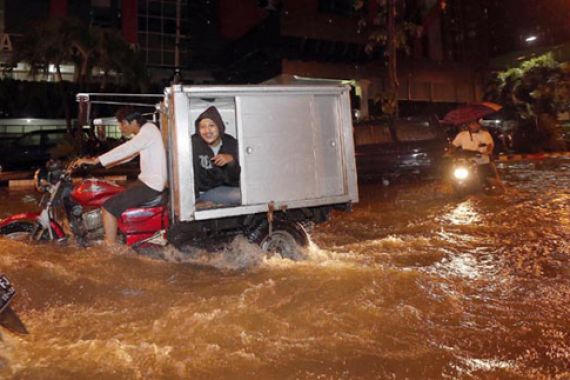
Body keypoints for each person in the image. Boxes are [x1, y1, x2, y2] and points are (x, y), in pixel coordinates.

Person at [76, 108, 167, 246]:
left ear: (131, 122)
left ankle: (111, 248)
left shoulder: (148, 131)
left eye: (121, 124)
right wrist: (99, 163)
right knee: (113, 194)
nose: (120, 127)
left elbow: (127, 149)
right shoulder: (147, 132)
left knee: (108, 208)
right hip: (145, 183)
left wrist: (96, 161)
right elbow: (129, 155)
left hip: (150, 186)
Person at [192, 106, 241, 206]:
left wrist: (232, 161)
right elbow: (189, 174)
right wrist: (195, 201)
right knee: (240, 196)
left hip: (223, 190)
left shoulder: (230, 143)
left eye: (211, 125)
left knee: (249, 195)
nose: (207, 131)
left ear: (219, 126)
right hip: (201, 193)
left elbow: (235, 177)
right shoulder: (194, 143)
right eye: (202, 127)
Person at [450, 119, 504, 190]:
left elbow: (490, 145)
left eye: (477, 124)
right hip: (467, 162)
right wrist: (448, 152)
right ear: (469, 125)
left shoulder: (485, 134)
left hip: (483, 161)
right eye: (473, 124)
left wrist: (488, 151)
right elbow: (453, 145)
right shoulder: (462, 135)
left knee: (493, 180)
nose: (476, 125)